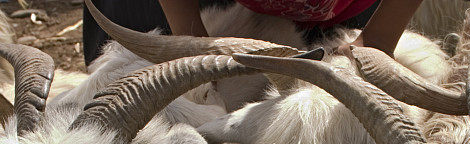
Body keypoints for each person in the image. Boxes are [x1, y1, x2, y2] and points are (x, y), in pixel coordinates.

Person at [83, 0, 424, 67]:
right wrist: (192, 42)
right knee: (126, 64)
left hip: (341, 7)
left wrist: (378, 40)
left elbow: (375, 44)